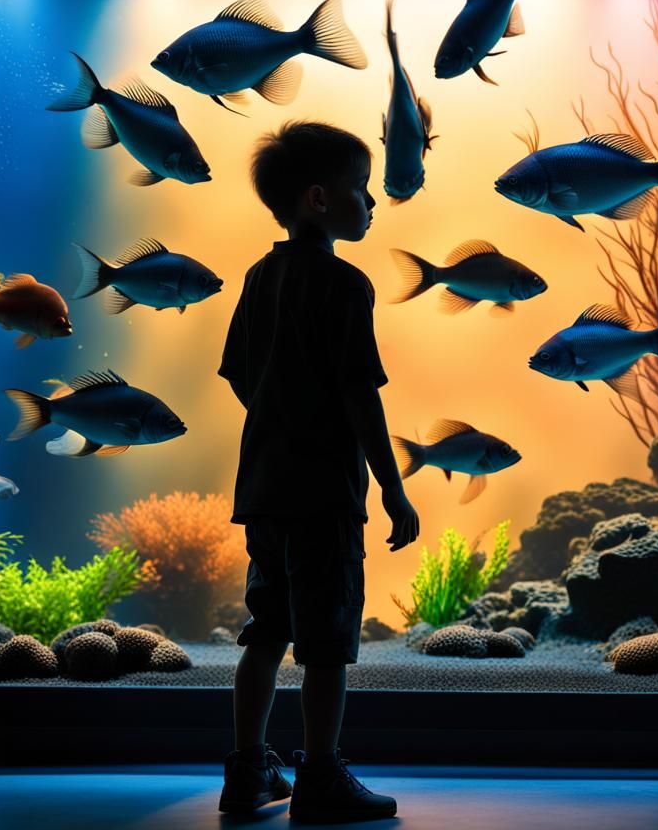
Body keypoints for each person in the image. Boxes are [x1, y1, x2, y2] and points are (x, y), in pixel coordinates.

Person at [216, 119, 419, 821]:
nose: (372, 202)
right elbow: (360, 394)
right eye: (361, 190)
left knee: (265, 629)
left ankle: (246, 773)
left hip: (265, 486)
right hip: (325, 490)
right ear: (318, 199)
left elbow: (239, 373)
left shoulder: (258, 275)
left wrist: (278, 419)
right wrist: (392, 487)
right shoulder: (344, 284)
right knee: (326, 640)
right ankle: (322, 779)